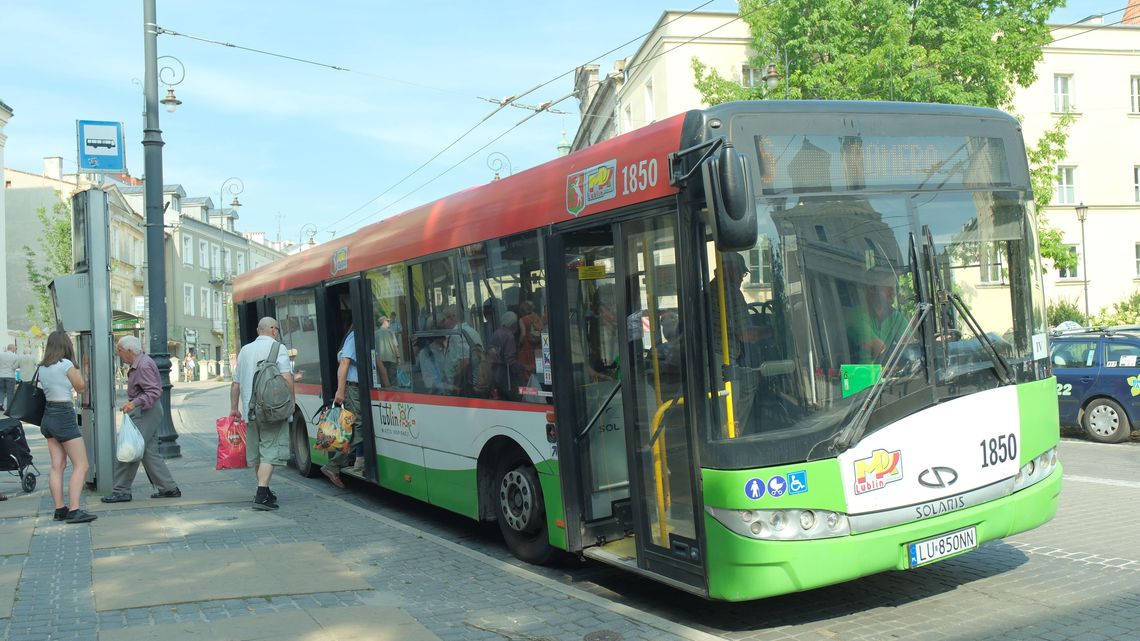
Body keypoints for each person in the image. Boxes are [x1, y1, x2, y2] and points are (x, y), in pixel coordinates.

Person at [101, 336, 181, 504]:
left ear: (129, 351)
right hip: (148, 410)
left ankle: (121, 490)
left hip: (145, 411)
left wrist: (134, 403)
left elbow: (154, 391)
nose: (119, 355)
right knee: (149, 452)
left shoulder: (142, 365)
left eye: (120, 351)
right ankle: (168, 488)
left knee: (129, 449)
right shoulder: (142, 362)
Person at [230, 317, 295, 510]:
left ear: (259, 331)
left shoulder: (245, 350)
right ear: (274, 330)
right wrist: (291, 401)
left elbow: (236, 384)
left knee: (258, 453)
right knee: (270, 450)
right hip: (272, 409)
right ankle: (261, 493)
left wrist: (234, 408)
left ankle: (265, 492)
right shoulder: (278, 348)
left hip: (250, 410)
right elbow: (286, 378)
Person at [38, 331, 95, 522]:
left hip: (47, 416)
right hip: (63, 414)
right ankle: (75, 510)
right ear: (66, 345)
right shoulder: (66, 364)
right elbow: (80, 387)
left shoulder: (42, 367)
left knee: (57, 465)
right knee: (82, 464)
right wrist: (84, 370)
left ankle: (60, 509)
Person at [708, 252, 759, 434]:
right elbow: (746, 335)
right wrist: (772, 332)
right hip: (723, 360)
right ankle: (734, 431)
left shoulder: (709, 289)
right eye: (741, 274)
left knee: (749, 380)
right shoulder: (730, 292)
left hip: (711, 359)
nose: (741, 279)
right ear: (729, 270)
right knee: (729, 404)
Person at [321, 323, 363, 487]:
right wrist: (340, 390)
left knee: (357, 426)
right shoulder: (354, 337)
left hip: (358, 388)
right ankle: (333, 465)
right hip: (353, 388)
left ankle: (341, 462)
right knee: (359, 426)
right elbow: (344, 364)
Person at [846, 283, 908, 362]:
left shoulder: (896, 316)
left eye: (894, 287)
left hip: (889, 373)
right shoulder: (856, 316)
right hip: (862, 373)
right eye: (888, 287)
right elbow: (879, 349)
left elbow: (909, 348)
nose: (893, 291)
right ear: (872, 289)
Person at [490, 311, 522, 401]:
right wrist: (520, 369)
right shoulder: (509, 336)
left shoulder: (496, 333)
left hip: (495, 372)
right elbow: (510, 359)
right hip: (506, 375)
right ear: (514, 324)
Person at [516, 301, 544, 384]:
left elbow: (523, 334)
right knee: (538, 369)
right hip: (538, 347)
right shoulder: (537, 317)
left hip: (527, 348)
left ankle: (530, 387)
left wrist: (519, 343)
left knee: (527, 371)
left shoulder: (522, 320)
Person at [0, 344, 19, 411]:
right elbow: (16, 366)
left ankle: (0, 404)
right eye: (15, 349)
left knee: (1, 391)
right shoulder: (15, 356)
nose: (15, 350)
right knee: (10, 392)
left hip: (1, 375)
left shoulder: (1, 355)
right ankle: (9, 408)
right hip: (10, 376)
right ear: (13, 349)